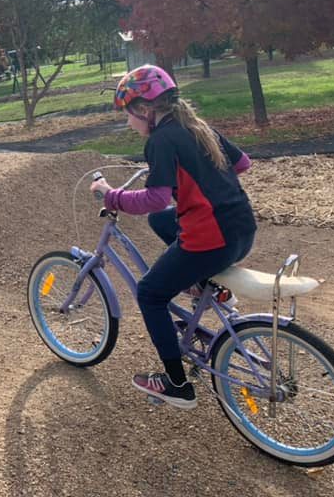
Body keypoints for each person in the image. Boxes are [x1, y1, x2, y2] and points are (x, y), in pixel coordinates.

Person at [90, 65, 256, 409]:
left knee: (150, 293)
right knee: (163, 221)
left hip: (211, 241)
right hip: (241, 230)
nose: (128, 123)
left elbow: (155, 197)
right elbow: (242, 165)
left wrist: (110, 195)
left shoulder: (161, 139)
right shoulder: (197, 127)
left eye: (128, 115)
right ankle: (203, 286)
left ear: (143, 109)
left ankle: (177, 385)